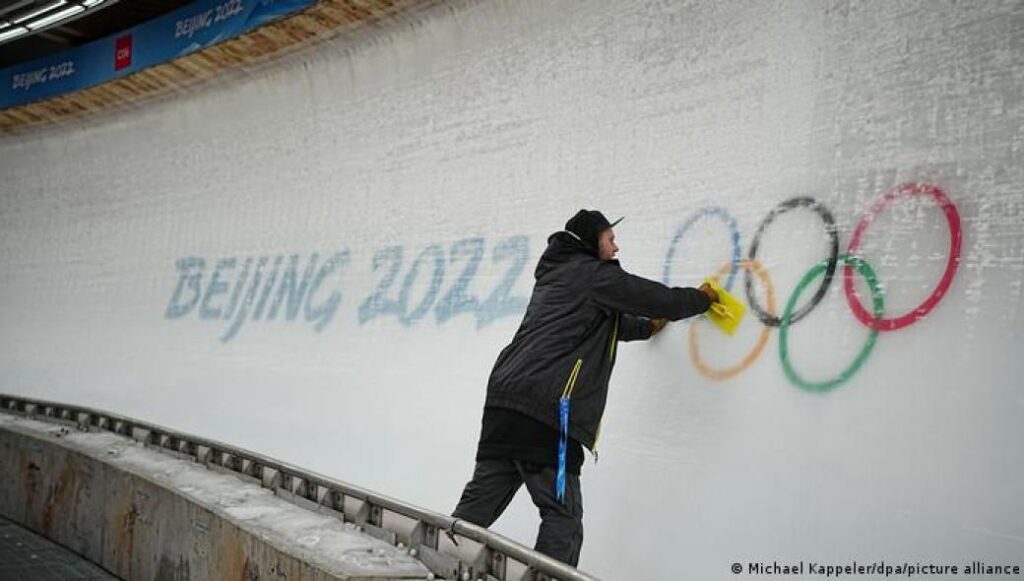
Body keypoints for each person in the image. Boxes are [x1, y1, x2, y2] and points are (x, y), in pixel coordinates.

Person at [451, 209, 719, 566]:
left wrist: (646, 328)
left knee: (477, 507)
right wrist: (702, 299)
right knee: (562, 516)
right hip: (549, 416)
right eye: (610, 239)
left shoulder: (558, 276)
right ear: (593, 242)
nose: (616, 246)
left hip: (504, 404)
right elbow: (655, 298)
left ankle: (437, 565)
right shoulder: (594, 274)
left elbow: (600, 322)